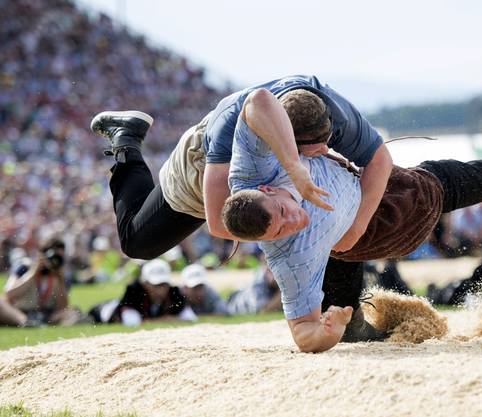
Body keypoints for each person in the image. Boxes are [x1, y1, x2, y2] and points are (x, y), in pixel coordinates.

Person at [221, 96, 482, 352]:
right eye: (280, 231)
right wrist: (329, 330)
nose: (293, 221)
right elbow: (303, 334)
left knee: (337, 268)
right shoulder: (289, 255)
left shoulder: (250, 172)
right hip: (381, 224)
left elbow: (259, 101)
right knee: (437, 181)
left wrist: (295, 166)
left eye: (283, 212)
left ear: (264, 188)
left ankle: (355, 329)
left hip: (349, 207)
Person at [90, 75, 392, 342]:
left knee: (309, 218)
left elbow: (380, 159)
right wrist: (290, 242)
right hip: (203, 175)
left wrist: (354, 228)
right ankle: (126, 140)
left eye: (326, 142)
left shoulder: (329, 111)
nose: (323, 152)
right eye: (309, 149)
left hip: (273, 187)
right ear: (282, 140)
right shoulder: (232, 135)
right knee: (137, 243)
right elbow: (219, 223)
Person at [1, 238, 80, 326]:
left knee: (73, 312)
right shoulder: (24, 267)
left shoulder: (60, 275)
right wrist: (34, 272)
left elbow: (63, 306)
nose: (55, 261)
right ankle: (26, 322)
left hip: (46, 314)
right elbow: (9, 294)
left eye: (59, 258)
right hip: (19, 312)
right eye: (53, 257)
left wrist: (59, 278)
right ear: (42, 254)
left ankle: (34, 323)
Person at [100, 259, 196, 326]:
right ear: (145, 284)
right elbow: (132, 323)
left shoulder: (174, 293)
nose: (161, 290)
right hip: (102, 312)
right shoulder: (133, 293)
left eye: (164, 284)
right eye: (156, 285)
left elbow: (191, 319)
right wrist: (167, 320)